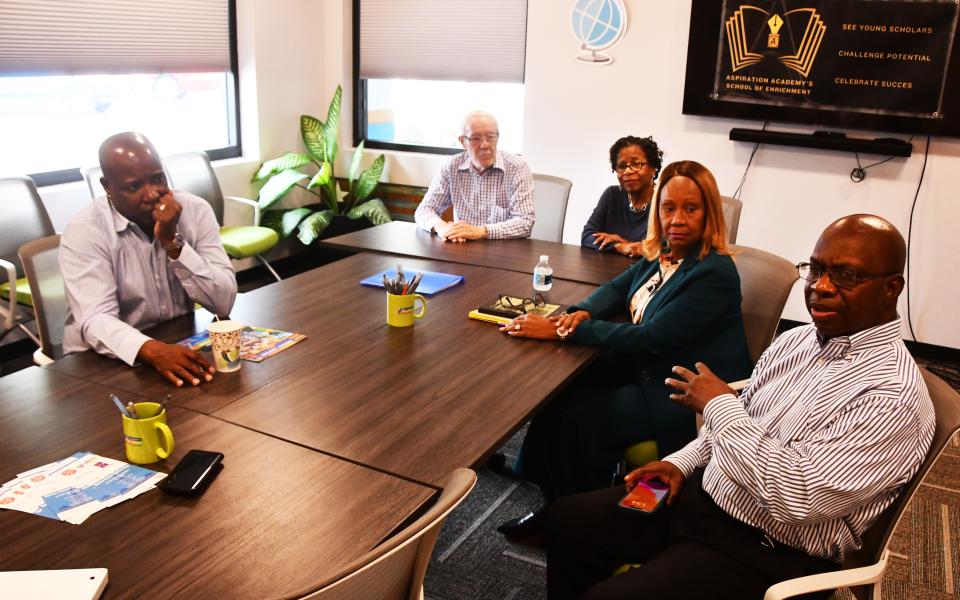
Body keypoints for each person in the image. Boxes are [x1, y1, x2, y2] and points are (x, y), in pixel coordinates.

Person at [545, 214, 935, 600]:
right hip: (699, 497)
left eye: (846, 276)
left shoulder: (891, 395)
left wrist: (719, 405)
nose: (821, 287)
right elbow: (738, 426)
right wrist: (681, 462)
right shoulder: (797, 341)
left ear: (891, 288)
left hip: (764, 549)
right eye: (814, 270)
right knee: (569, 520)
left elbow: (795, 495)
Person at [497, 161, 752, 537]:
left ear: (709, 213)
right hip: (647, 369)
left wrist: (560, 331)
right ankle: (553, 506)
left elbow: (651, 337)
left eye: (690, 208)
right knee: (556, 396)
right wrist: (579, 313)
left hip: (679, 392)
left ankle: (577, 524)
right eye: (668, 208)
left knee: (581, 421)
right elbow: (617, 288)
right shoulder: (664, 254)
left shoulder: (713, 272)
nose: (677, 219)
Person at [61, 132, 237, 387]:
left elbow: (223, 302)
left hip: (173, 340)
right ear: (107, 187)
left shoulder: (195, 210)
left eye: (157, 179)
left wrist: (173, 243)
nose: (152, 194)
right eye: (134, 186)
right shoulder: (85, 230)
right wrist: (153, 351)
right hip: (99, 362)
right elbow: (96, 319)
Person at [414, 110, 534, 241]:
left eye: (490, 137)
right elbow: (424, 210)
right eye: (476, 138)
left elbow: (525, 222)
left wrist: (480, 231)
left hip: (504, 253)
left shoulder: (517, 168)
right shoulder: (452, 166)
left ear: (497, 138)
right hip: (462, 249)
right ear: (462, 141)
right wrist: (442, 228)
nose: (485, 145)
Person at [581, 135, 663, 256]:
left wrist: (628, 244)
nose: (628, 171)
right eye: (621, 166)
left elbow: (664, 249)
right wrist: (618, 246)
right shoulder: (612, 195)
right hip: (607, 272)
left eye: (636, 164)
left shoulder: (664, 201)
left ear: (653, 168)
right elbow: (587, 236)